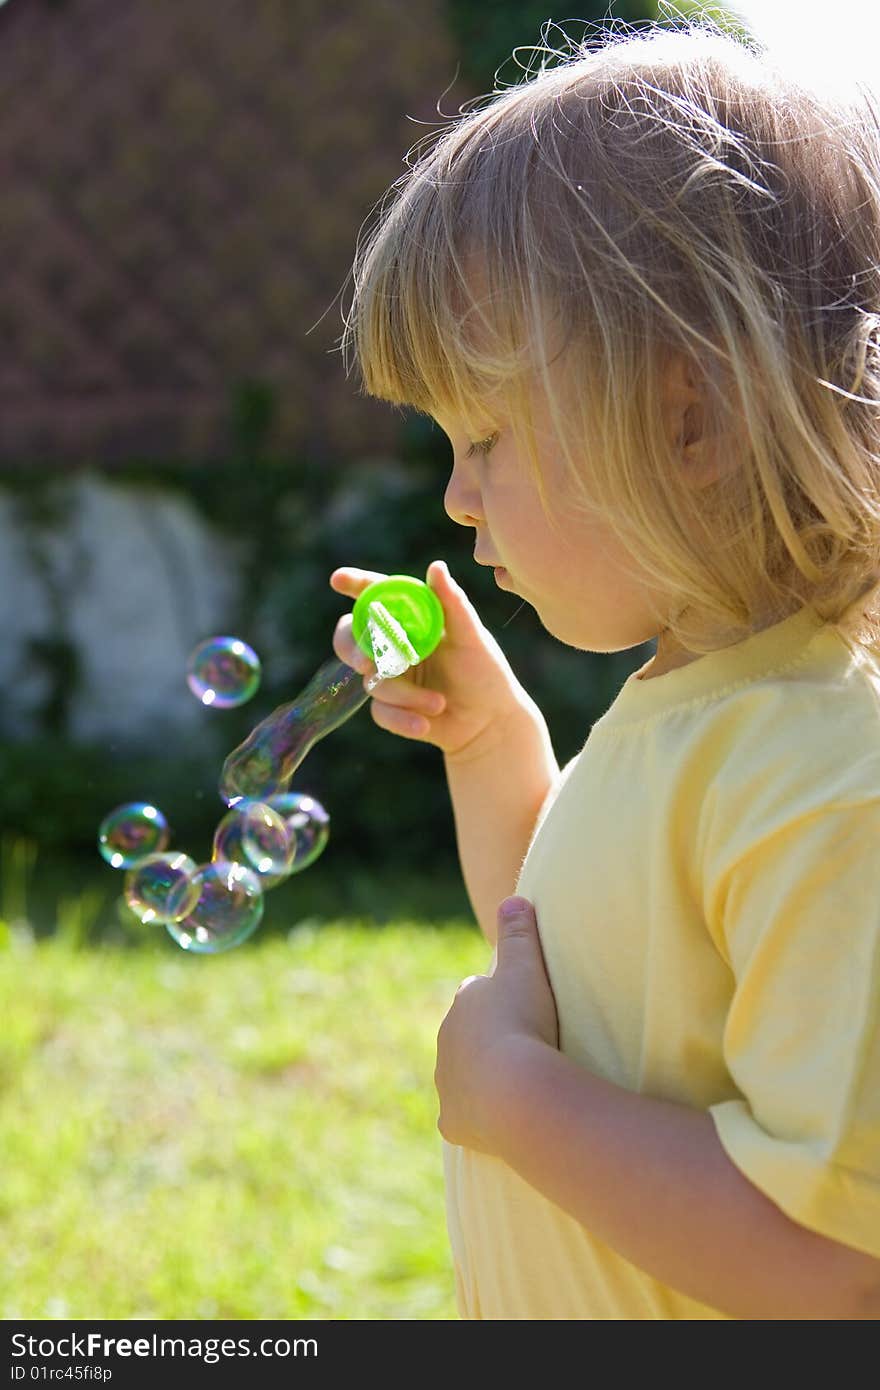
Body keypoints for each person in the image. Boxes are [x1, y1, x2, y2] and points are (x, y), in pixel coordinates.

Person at [330, 18, 880, 1318]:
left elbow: (837, 1267)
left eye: (486, 435)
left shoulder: (826, 778)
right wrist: (489, 745)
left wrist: (520, 1103)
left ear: (684, 413)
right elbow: (564, 957)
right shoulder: (695, 716)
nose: (459, 498)